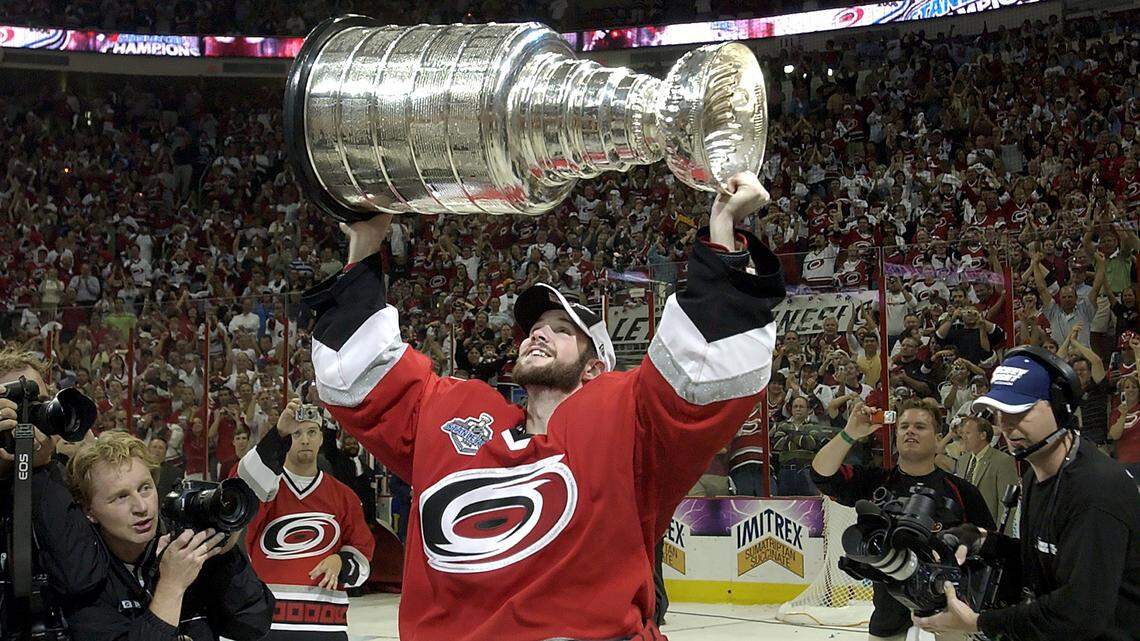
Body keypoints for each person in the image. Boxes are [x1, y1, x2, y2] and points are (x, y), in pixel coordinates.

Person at [302, 172, 782, 639]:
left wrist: (723, 229)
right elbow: (360, 375)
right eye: (535, 327)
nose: (538, 332)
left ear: (595, 368)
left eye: (562, 328)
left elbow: (704, 373)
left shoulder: (630, 425)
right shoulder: (455, 412)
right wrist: (367, 241)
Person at [913, 346, 1140, 641]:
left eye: (1019, 411)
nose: (1006, 425)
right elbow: (1042, 567)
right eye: (999, 412)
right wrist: (983, 540)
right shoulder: (1036, 474)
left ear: (1060, 407)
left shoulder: (1097, 489)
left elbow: (1080, 613)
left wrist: (979, 623)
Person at [10, 421, 273, 641]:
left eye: (145, 488)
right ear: (89, 510)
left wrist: (225, 555)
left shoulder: (182, 546)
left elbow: (253, 624)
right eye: (120, 497)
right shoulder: (85, 576)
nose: (140, 507)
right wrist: (171, 586)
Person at [810, 398, 995, 640]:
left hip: (949, 611)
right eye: (904, 426)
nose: (910, 431)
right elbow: (821, 476)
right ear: (895, 435)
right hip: (888, 610)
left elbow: (989, 547)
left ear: (938, 438)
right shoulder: (877, 482)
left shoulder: (961, 491)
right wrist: (849, 433)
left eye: (920, 426)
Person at [237, 398, 376, 640]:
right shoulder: (267, 486)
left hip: (326, 626)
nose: (304, 440)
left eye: (312, 432)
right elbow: (241, 488)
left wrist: (341, 562)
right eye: (296, 433)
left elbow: (363, 558)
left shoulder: (344, 497)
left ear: (321, 439)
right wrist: (278, 432)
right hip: (268, 626)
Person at [955, 415, 1018, 525]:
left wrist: (1001, 537)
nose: (964, 437)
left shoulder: (1003, 461)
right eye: (963, 434)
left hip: (988, 529)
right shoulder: (962, 460)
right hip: (963, 528)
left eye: (968, 433)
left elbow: (1007, 507)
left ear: (982, 435)